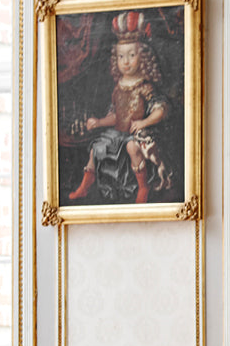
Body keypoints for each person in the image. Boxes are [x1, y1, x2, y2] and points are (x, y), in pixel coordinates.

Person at [67, 10, 175, 204]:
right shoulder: (119, 87)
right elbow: (116, 115)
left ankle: (143, 187)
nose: (126, 61)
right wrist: (99, 122)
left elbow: (161, 109)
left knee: (133, 147)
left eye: (131, 55)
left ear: (143, 57)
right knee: (96, 148)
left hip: (139, 132)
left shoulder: (145, 86)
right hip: (118, 133)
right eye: (121, 56)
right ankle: (84, 186)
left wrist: (144, 122)